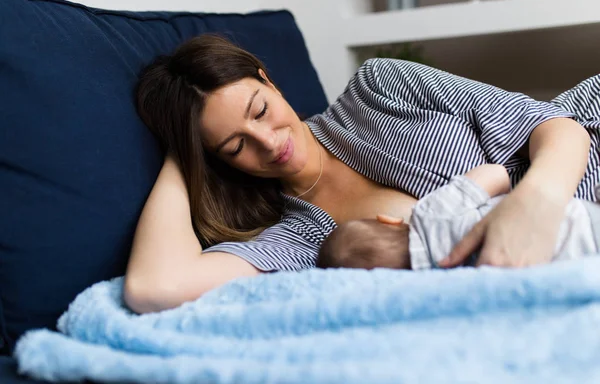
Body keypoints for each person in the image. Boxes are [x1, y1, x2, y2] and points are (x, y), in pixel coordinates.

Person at [124, 33, 600, 314]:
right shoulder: (299, 239)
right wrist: (184, 151)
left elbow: (557, 127)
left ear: (267, 78)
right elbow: (154, 288)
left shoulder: (377, 87)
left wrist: (537, 199)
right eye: (235, 145)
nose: (268, 142)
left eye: (260, 109)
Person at [315, 164, 600, 271]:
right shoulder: (427, 214)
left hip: (575, 262)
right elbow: (496, 174)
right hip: (574, 221)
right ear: (389, 220)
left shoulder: (434, 281)